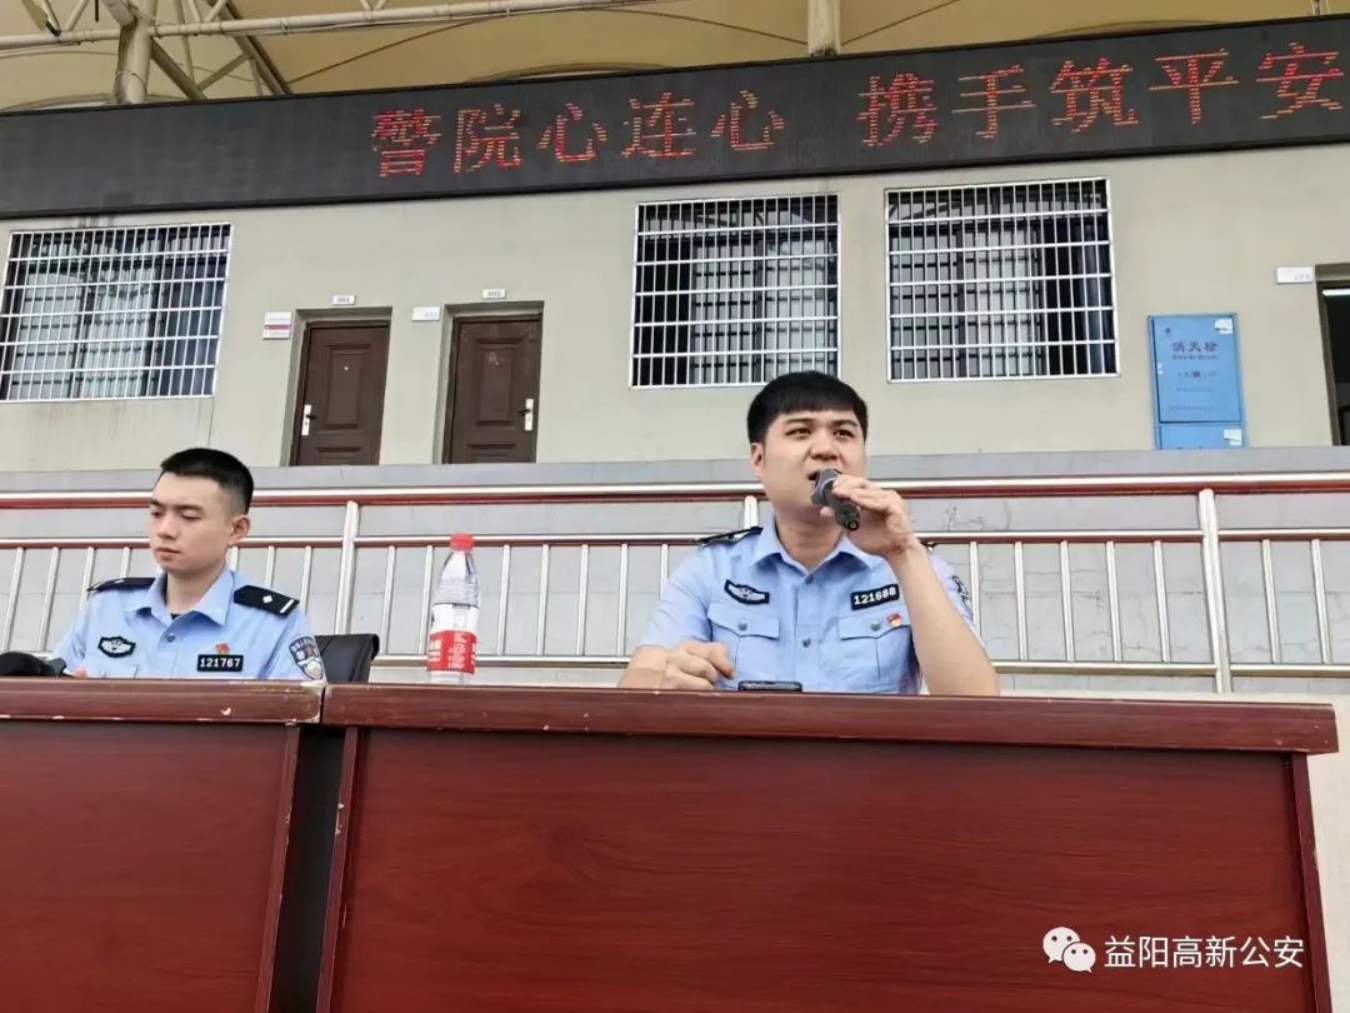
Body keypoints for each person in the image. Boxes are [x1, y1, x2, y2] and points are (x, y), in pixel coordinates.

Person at [620, 372, 998, 695]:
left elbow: (976, 703)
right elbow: (635, 684)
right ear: (759, 459)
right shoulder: (710, 571)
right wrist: (667, 678)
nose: (826, 449)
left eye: (843, 433)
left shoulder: (915, 566)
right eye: (800, 431)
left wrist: (903, 552)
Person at [54, 448, 326, 681]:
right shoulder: (107, 608)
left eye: (188, 517)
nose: (165, 530)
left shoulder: (272, 623)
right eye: (157, 513)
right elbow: (48, 693)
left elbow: (301, 716)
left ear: (236, 530)